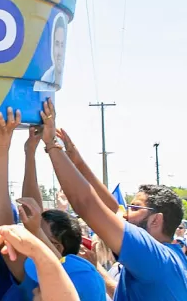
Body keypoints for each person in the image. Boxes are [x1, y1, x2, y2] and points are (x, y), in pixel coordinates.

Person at [40, 99, 187, 300]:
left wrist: (51, 145)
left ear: (155, 220)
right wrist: (76, 160)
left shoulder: (153, 256)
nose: (125, 213)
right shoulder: (168, 257)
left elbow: (87, 204)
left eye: (134, 208)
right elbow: (111, 207)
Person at [34, 13, 67, 92]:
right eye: (57, 44)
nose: (59, 52)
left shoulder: (56, 81)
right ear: (52, 46)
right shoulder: (43, 81)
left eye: (62, 45)